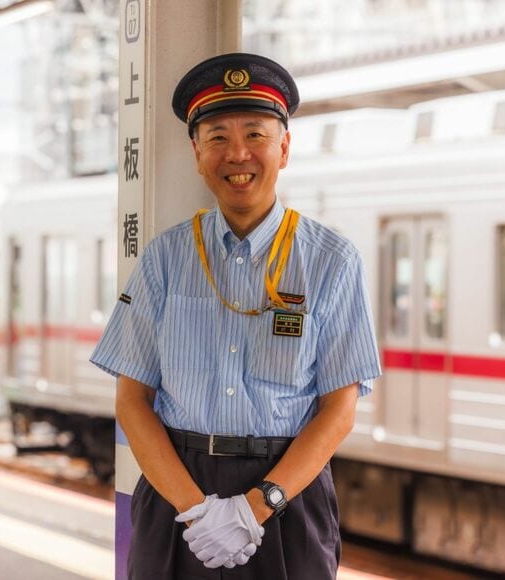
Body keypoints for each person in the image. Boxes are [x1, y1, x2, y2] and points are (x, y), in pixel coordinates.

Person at [90, 53, 381, 579]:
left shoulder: (331, 261)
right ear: (197, 153)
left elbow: (338, 410)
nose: (238, 153)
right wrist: (196, 510)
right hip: (178, 494)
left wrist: (257, 505)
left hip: (286, 495)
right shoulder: (164, 259)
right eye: (218, 136)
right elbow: (132, 402)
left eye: (256, 134)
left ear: (284, 148)